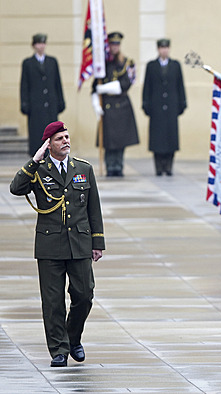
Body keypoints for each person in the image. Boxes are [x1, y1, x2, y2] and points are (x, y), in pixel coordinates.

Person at [9, 121, 105, 367]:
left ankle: (73, 338)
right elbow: (16, 188)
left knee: (84, 295)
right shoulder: (38, 170)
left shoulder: (83, 168)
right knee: (52, 302)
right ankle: (59, 350)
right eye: (60, 138)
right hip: (50, 244)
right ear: (48, 144)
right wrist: (34, 160)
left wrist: (98, 242)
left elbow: (94, 208)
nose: (66, 141)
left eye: (67, 137)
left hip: (79, 243)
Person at [92, 31, 139, 177]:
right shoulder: (103, 65)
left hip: (122, 105)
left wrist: (104, 88)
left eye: (117, 44)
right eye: (112, 44)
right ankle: (110, 166)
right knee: (108, 141)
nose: (114, 47)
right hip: (107, 106)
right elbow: (94, 87)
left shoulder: (127, 63)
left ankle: (118, 166)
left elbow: (125, 84)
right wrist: (96, 104)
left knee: (120, 140)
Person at [142, 38, 187, 176]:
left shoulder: (175, 65)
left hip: (172, 107)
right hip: (156, 108)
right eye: (162, 48)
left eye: (166, 47)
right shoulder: (151, 66)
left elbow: (180, 86)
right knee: (157, 138)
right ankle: (159, 167)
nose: (164, 50)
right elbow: (147, 87)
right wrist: (146, 105)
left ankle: (168, 166)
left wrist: (182, 104)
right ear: (158, 49)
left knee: (170, 138)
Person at [20, 33, 65, 157]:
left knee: (52, 134)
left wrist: (60, 101)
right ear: (34, 45)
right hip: (35, 106)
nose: (41, 46)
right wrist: (25, 104)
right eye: (38, 43)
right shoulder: (28, 63)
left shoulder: (52, 62)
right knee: (37, 135)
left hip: (51, 105)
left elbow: (57, 83)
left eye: (43, 43)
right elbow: (24, 85)